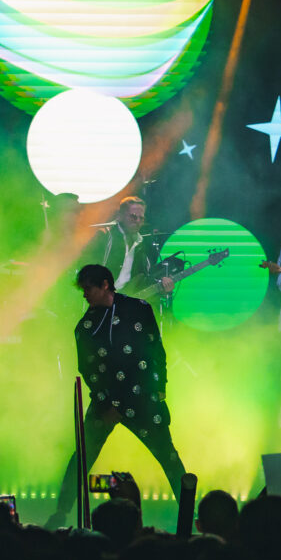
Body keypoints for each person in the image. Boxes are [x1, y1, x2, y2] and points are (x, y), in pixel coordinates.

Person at [46, 264, 187, 528]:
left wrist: (160, 387)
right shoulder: (86, 327)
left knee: (168, 455)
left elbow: (156, 349)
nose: (84, 294)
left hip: (143, 399)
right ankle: (61, 513)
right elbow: (88, 369)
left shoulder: (139, 309)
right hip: (106, 404)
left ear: (105, 285)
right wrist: (107, 404)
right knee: (83, 455)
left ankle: (191, 515)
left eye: (88, 288)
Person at [83, 196, 174, 298]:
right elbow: (85, 269)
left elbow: (143, 280)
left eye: (141, 218)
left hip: (122, 301)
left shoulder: (140, 243)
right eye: (133, 216)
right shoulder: (105, 236)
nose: (137, 221)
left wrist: (162, 286)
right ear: (120, 216)